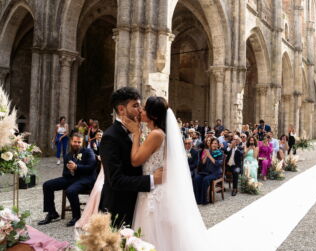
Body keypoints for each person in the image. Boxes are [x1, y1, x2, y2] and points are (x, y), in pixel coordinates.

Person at [124, 96, 211, 250]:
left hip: (154, 192)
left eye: (144, 109)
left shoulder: (156, 134)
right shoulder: (158, 132)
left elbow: (136, 160)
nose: (141, 111)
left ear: (154, 115)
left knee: (154, 235)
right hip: (152, 186)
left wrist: (136, 133)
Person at [99, 87, 163, 227]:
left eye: (140, 105)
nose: (140, 110)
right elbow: (115, 180)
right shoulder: (110, 137)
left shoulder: (137, 130)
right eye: (135, 106)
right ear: (121, 110)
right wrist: (152, 179)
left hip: (139, 203)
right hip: (118, 207)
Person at [38, 133, 97, 227]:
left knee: (70, 191)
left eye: (79, 142)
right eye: (75, 141)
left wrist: (77, 167)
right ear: (71, 141)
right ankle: (52, 213)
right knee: (47, 185)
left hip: (86, 179)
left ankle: (76, 216)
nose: (76, 143)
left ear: (82, 143)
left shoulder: (88, 152)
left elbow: (91, 167)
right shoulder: (68, 155)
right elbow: (65, 173)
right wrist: (70, 170)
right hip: (71, 178)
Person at [194, 138, 224, 205]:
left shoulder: (220, 153)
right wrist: (205, 156)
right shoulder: (208, 151)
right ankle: (198, 199)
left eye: (215, 143)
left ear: (218, 145)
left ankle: (204, 200)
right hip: (206, 171)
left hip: (215, 172)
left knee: (205, 179)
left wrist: (209, 156)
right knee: (197, 178)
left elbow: (217, 164)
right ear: (210, 144)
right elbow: (203, 163)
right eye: (213, 143)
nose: (214, 145)